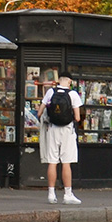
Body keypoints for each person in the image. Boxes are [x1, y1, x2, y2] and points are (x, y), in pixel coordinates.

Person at [37, 75, 83, 204]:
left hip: (52, 129)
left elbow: (40, 113)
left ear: (59, 80)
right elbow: (78, 118)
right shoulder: (73, 94)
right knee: (66, 162)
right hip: (67, 130)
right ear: (69, 81)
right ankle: (68, 194)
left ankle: (51, 194)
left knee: (52, 161)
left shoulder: (51, 92)